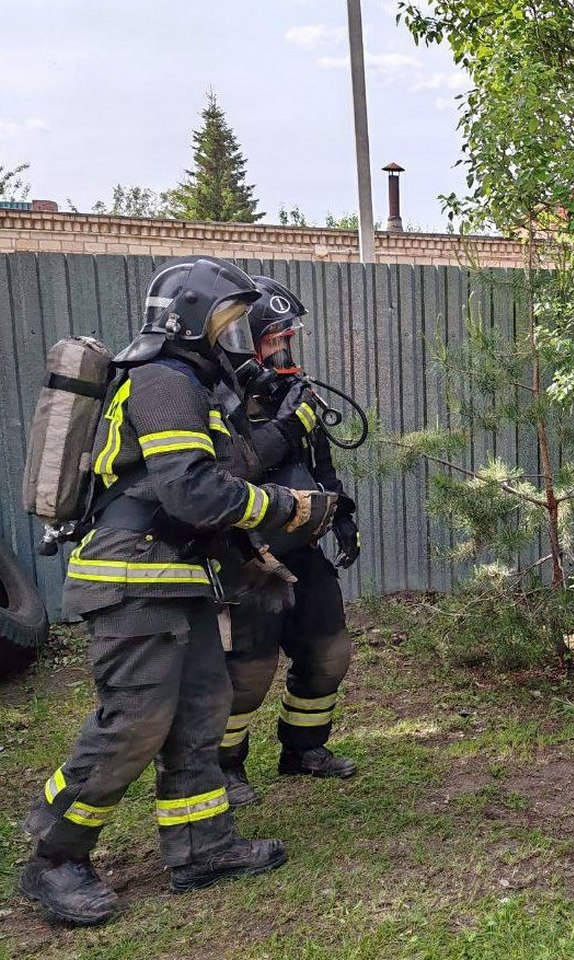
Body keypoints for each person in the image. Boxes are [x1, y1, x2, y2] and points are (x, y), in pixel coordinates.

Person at [20, 256, 339, 927]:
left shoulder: (193, 386)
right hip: (133, 578)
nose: (235, 339)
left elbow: (216, 484)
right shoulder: (162, 380)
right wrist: (287, 508)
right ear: (190, 319)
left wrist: (256, 557)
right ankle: (54, 854)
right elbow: (192, 492)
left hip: (177, 578)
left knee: (199, 712)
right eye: (226, 323)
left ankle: (204, 847)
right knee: (136, 720)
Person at [220, 277, 361, 807]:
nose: (283, 349)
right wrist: (282, 423)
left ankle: (303, 750)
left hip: (303, 548)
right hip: (244, 555)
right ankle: (225, 768)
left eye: (288, 338)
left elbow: (320, 464)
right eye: (272, 338)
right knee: (248, 672)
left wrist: (342, 512)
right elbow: (231, 469)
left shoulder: (294, 392)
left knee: (329, 652)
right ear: (242, 340)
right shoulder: (214, 397)